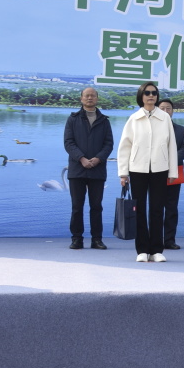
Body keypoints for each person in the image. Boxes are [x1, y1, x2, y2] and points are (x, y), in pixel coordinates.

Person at [117, 82, 180, 262]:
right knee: (139, 209)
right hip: (137, 169)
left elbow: (171, 146)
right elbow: (125, 146)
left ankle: (157, 250)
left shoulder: (164, 118)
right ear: (141, 96)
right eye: (147, 93)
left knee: (157, 209)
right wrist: (123, 173)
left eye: (154, 93)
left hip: (160, 169)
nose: (151, 96)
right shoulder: (134, 118)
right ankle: (142, 250)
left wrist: (172, 172)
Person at [64, 87, 113, 250]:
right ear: (81, 98)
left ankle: (96, 239)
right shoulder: (73, 119)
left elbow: (109, 144)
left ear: (97, 99)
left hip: (97, 169)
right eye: (87, 96)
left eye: (92, 96)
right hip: (77, 169)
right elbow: (68, 143)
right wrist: (82, 158)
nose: (89, 98)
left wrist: (98, 158)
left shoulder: (104, 121)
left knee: (96, 207)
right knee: (77, 207)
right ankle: (76, 239)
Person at [157, 99, 184, 250]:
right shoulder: (149, 128)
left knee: (171, 208)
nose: (165, 111)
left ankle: (169, 240)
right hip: (154, 172)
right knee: (156, 208)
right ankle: (155, 239)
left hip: (174, 173)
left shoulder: (181, 130)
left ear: (172, 111)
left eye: (168, 108)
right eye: (162, 108)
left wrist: (169, 160)